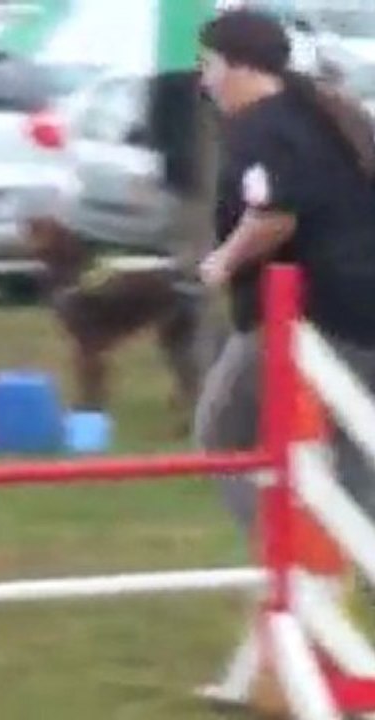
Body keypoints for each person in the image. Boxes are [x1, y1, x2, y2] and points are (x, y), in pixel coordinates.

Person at [195, 9, 375, 535]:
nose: (206, 82)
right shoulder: (317, 115)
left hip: (303, 316)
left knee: (224, 435)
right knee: (354, 449)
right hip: (357, 307)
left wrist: (223, 261)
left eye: (208, 66)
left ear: (238, 66)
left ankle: (284, 549)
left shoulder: (262, 128)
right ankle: (351, 556)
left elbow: (275, 215)